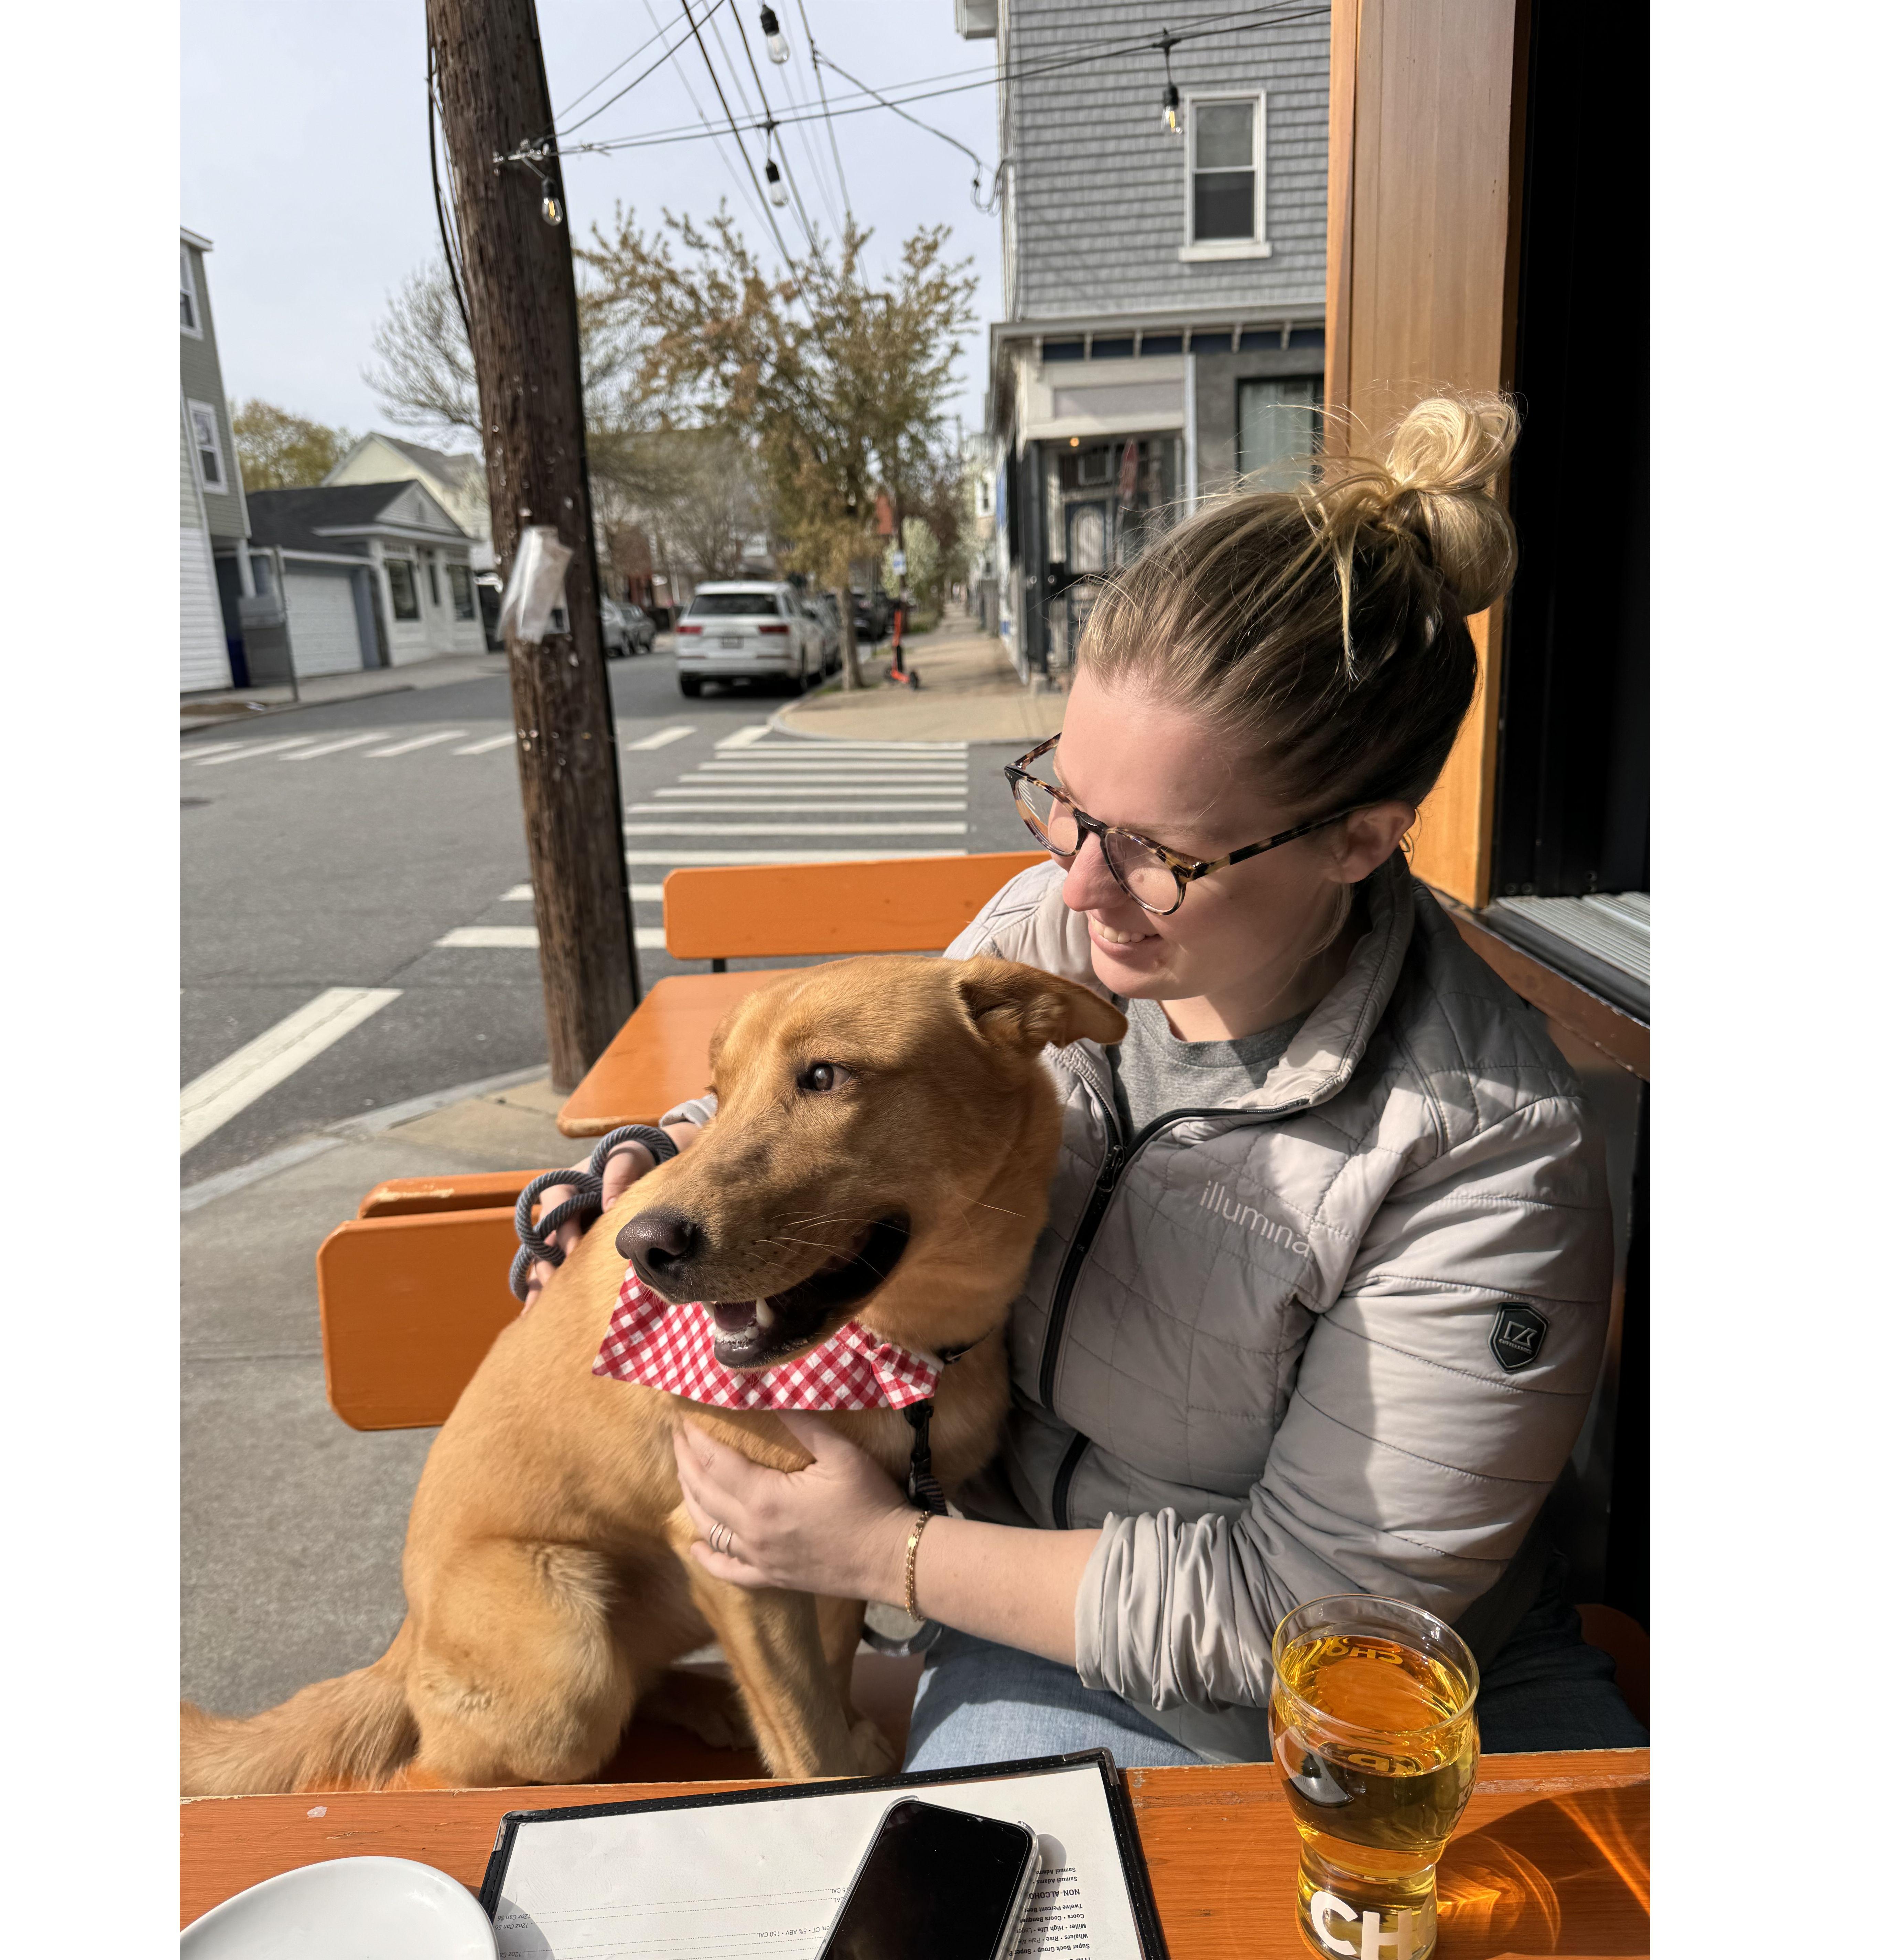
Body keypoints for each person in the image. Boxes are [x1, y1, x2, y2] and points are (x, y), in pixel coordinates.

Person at [528, 394, 1646, 1766]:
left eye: (1158, 850)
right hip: (1015, 1606)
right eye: (1064, 799)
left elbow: (1320, 1611)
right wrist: (635, 1168)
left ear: (1359, 839)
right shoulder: (1048, 933)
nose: (1077, 883)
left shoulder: (1479, 1152)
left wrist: (887, 1554)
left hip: (1318, 1697)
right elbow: (828, 1091)